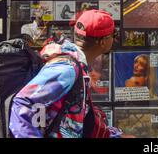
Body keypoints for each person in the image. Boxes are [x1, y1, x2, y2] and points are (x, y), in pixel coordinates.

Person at [9, 10, 128, 138]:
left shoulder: (78, 67)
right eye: (113, 34)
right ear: (103, 41)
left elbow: (77, 122)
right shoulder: (67, 69)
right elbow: (23, 102)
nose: (114, 38)